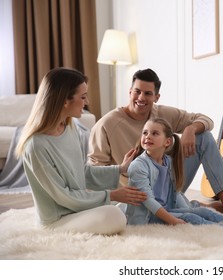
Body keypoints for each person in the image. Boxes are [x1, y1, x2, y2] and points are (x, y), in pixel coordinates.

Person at [88, 68, 223, 220]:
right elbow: (95, 171)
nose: (141, 98)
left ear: (156, 97)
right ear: (130, 91)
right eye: (137, 92)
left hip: (168, 182)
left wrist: (190, 128)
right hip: (137, 191)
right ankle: (195, 206)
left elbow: (206, 120)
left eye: (148, 93)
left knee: (203, 136)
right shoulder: (106, 125)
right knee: (182, 212)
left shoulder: (162, 113)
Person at [15, 67, 147, 235]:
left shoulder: (70, 128)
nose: (87, 102)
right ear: (65, 100)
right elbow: (64, 196)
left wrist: (120, 169)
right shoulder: (36, 146)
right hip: (57, 220)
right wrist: (112, 195)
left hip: (77, 210)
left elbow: (81, 172)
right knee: (114, 215)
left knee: (135, 202)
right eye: (83, 97)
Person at [126, 117, 223, 231]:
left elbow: (172, 193)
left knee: (200, 211)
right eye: (145, 133)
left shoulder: (167, 161)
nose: (147, 136)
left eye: (154, 133)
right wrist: (174, 220)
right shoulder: (138, 166)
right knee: (191, 217)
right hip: (148, 217)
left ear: (167, 142)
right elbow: (149, 202)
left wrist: (185, 209)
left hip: (166, 209)